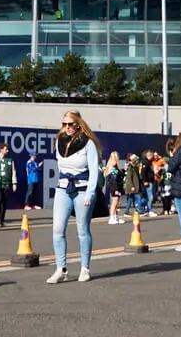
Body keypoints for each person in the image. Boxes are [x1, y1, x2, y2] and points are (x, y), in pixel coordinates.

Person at [48, 111, 101, 284]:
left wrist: (90, 193)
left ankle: (85, 268)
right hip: (63, 189)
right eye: (64, 124)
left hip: (83, 190)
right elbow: (60, 166)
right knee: (57, 230)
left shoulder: (88, 143)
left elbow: (94, 171)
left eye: (70, 124)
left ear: (78, 124)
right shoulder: (59, 142)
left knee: (82, 230)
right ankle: (61, 269)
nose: (67, 127)